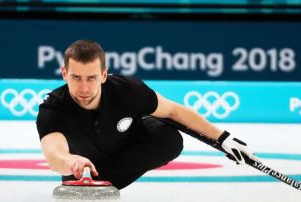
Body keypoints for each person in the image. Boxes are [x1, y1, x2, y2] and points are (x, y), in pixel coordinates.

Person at [37, 40, 258, 190]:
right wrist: (71, 162)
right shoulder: (53, 108)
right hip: (83, 165)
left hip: (125, 148)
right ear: (64, 74)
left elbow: (173, 110)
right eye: (76, 78)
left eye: (92, 78)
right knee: (76, 170)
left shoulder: (127, 90)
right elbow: (54, 154)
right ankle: (90, 179)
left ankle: (105, 181)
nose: (84, 88)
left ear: (104, 75)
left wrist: (223, 137)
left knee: (169, 139)